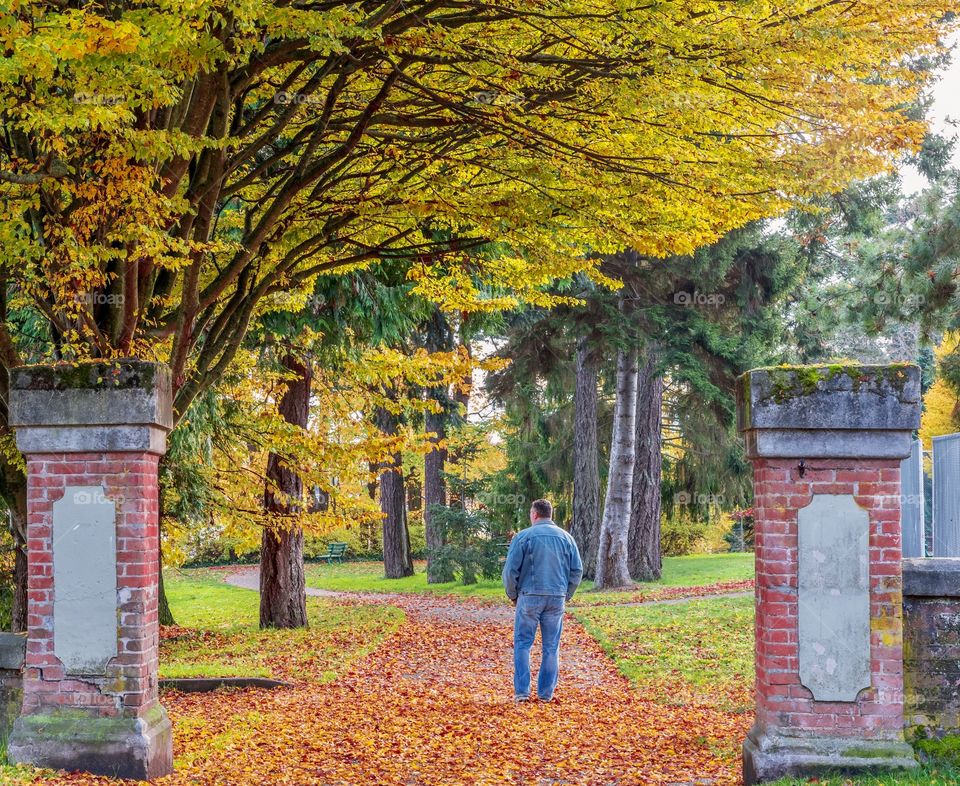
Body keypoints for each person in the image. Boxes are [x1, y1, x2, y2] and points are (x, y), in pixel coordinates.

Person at [502, 498, 583, 702]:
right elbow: (577, 571)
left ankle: (522, 692)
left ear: (534, 514)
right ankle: (545, 694)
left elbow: (510, 571)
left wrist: (512, 594)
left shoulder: (523, 537)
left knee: (522, 643)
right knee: (551, 646)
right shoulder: (567, 538)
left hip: (529, 596)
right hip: (556, 597)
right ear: (550, 515)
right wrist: (567, 594)